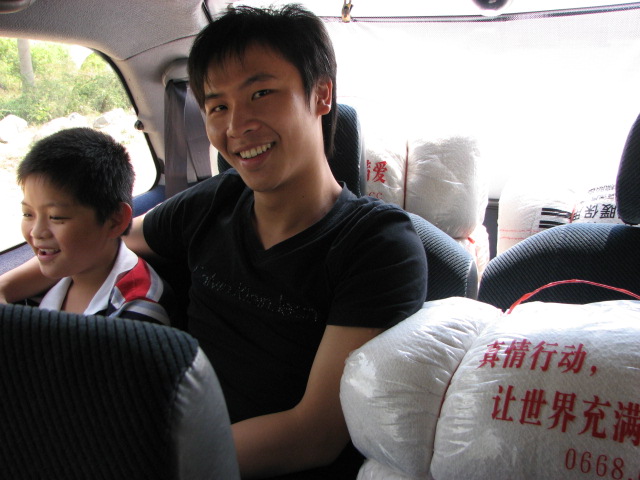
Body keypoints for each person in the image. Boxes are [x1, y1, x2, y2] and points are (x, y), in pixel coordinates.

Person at [0, 5, 427, 479]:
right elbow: (102, 237)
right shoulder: (218, 200)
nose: (236, 125)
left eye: (261, 93)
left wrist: (145, 460)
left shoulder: (377, 244)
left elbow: (314, 434)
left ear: (321, 94)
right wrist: (5, 291)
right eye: (217, 106)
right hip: (162, 427)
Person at [13, 127, 170, 325]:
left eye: (56, 217)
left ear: (115, 220)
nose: (36, 232)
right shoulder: (46, 282)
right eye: (28, 214)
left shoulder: (137, 314)